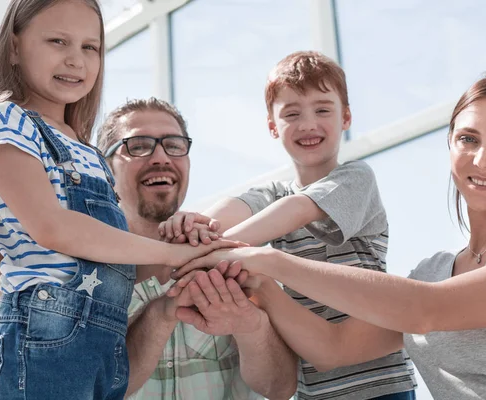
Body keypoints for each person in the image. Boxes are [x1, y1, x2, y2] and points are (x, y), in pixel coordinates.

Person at [173, 65, 486, 400]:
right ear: (450, 146)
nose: (483, 159)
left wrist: (268, 258)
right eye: (468, 138)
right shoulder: (433, 271)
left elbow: (425, 311)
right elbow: (333, 349)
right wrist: (263, 287)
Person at [0, 1, 234, 399]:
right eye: (58, 41)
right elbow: (52, 227)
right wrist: (169, 254)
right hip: (40, 337)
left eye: (90, 47)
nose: (75, 60)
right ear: (15, 48)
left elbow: (108, 262)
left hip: (100, 345)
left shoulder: (89, 153)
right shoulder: (11, 120)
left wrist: (189, 251)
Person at [164, 51, 417, 400]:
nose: (308, 124)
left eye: (323, 110)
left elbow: (299, 209)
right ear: (273, 126)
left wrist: (207, 253)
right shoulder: (271, 194)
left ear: (346, 117)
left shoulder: (356, 178)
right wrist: (198, 224)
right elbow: (227, 213)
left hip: (379, 385)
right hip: (313, 390)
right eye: (292, 113)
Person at [96, 97, 297, 399]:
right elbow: (93, 390)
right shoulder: (84, 281)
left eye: (174, 145)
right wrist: (160, 314)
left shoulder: (233, 261)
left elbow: (279, 388)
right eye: (138, 145)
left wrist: (251, 327)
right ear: (105, 168)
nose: (161, 157)